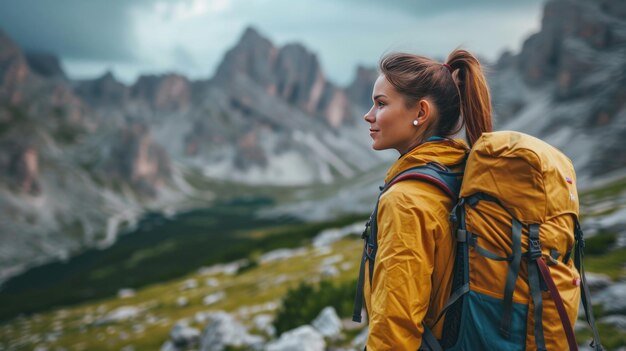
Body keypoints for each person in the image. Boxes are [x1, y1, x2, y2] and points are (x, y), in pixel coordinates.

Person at [361, 49, 493, 349]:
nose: (368, 115)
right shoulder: (464, 170)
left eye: (381, 104)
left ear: (421, 113)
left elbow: (396, 325)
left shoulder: (406, 200)